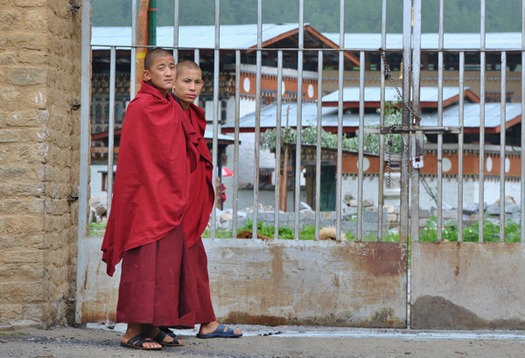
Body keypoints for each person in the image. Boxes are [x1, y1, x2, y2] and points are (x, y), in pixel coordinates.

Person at [101, 48, 198, 351]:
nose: (169, 73)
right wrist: (158, 188)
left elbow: (181, 153)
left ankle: (153, 325)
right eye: (161, 68)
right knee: (144, 264)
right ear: (147, 75)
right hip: (146, 199)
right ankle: (132, 329)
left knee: (166, 264)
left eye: (171, 67)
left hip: (169, 197)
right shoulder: (141, 107)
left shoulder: (171, 106)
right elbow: (139, 159)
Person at [164, 59, 242, 339]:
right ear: (172, 82)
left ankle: (205, 320)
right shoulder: (167, 112)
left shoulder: (193, 114)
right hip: (173, 201)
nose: (193, 87)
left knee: (194, 260)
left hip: (191, 202)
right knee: (173, 261)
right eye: (187, 81)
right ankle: (170, 321)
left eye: (197, 82)